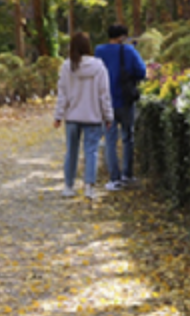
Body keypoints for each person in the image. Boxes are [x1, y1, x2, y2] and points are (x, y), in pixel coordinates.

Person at [53, 30, 113, 201]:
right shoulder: (99, 66)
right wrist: (108, 116)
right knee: (91, 152)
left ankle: (68, 186)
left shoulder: (67, 66)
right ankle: (89, 187)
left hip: (72, 117)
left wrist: (58, 116)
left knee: (71, 151)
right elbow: (104, 94)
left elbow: (62, 94)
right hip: (93, 116)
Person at [94, 23, 147, 190]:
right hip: (125, 100)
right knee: (127, 137)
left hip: (105, 101)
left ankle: (114, 179)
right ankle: (127, 175)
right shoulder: (129, 51)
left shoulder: (99, 51)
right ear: (122, 37)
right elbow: (141, 71)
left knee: (110, 140)